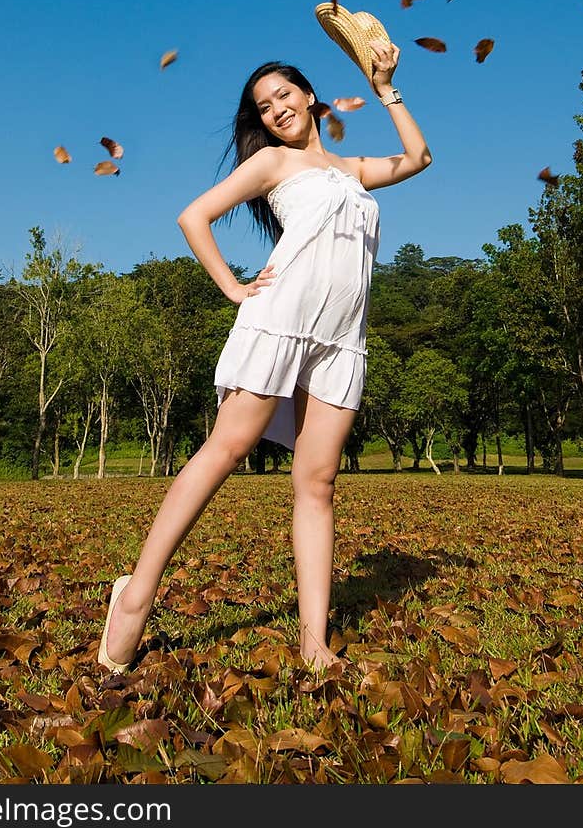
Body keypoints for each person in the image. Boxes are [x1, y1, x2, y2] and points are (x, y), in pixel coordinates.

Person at [98, 36, 431, 674]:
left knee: (318, 482)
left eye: (284, 94)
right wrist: (233, 287)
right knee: (226, 450)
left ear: (310, 97)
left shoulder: (351, 171)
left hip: (340, 338)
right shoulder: (274, 164)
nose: (276, 109)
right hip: (279, 322)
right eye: (263, 105)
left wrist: (387, 86)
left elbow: (419, 155)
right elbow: (193, 216)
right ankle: (136, 594)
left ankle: (314, 645)